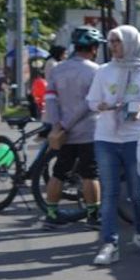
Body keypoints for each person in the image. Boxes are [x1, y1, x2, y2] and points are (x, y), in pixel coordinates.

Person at [86, 26, 140, 265]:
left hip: (137, 138)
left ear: (131, 42)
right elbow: (91, 101)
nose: (113, 46)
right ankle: (109, 243)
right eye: (110, 42)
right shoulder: (104, 71)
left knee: (137, 194)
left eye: (117, 42)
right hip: (107, 138)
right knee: (109, 194)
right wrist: (100, 106)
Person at [42, 27, 104, 228]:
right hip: (88, 131)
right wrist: (68, 124)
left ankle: (51, 213)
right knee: (90, 174)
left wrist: (57, 125)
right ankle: (93, 216)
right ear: (93, 48)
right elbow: (89, 103)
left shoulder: (58, 69)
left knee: (59, 172)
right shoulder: (96, 71)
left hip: (62, 133)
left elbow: (50, 99)